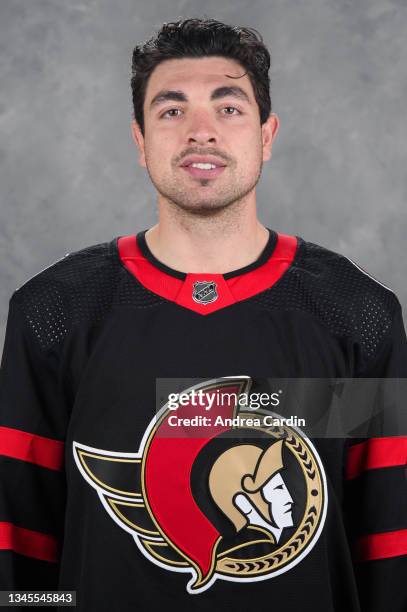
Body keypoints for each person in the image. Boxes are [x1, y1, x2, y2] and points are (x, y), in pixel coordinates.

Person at [0, 16, 406, 611]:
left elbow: (388, 547)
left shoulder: (358, 315)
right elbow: (21, 553)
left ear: (267, 135)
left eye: (229, 108)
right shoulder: (54, 314)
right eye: (171, 110)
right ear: (140, 141)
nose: (201, 132)